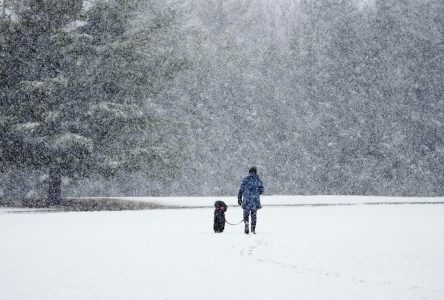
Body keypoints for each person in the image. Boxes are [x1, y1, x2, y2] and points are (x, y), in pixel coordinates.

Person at [238, 166, 264, 234]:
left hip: (246, 199)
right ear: (256, 172)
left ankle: (246, 223)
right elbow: (262, 190)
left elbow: (241, 189)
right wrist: (256, 193)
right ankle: (253, 229)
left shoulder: (245, 179)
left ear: (249, 172)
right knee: (254, 215)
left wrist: (239, 198)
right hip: (255, 200)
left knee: (246, 214)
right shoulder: (258, 180)